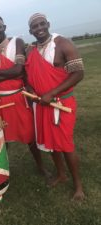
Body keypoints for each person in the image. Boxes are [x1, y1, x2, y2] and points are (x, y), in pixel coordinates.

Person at [25, 13, 85, 200]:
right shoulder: (30, 50)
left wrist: (51, 93)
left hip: (62, 104)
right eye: (35, 26)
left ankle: (78, 186)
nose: (39, 28)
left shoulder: (63, 43)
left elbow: (78, 73)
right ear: (31, 31)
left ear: (48, 24)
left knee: (66, 144)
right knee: (50, 144)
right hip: (41, 104)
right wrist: (32, 92)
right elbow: (27, 76)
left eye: (42, 24)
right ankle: (61, 174)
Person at [0, 15, 47, 176]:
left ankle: (40, 166)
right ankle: (2, 169)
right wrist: (10, 73)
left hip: (19, 97)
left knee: (29, 134)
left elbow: (19, 70)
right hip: (0, 100)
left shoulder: (17, 42)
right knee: (1, 137)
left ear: (4, 27)